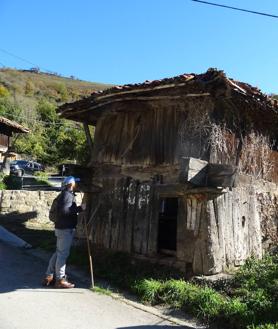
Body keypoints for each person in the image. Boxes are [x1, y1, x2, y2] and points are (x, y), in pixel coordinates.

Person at [42, 176, 85, 288]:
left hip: (60, 228)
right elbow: (65, 211)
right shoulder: (67, 195)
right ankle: (60, 279)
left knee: (58, 253)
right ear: (71, 184)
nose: (77, 185)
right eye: (76, 183)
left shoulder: (63, 194)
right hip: (65, 229)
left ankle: (49, 276)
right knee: (62, 255)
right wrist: (80, 208)